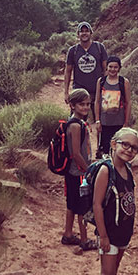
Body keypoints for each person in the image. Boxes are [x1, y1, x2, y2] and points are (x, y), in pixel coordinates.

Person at [93, 127, 138, 275]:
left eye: (134, 148)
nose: (129, 150)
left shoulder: (128, 169)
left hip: (124, 231)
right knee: (107, 274)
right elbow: (96, 204)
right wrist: (103, 235)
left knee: (114, 271)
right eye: (125, 145)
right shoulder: (106, 170)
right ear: (114, 144)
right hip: (109, 233)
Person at [61, 88, 97, 252]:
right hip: (78, 172)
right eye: (81, 104)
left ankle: (68, 234)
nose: (85, 107)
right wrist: (89, 170)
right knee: (82, 206)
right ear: (72, 105)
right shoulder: (75, 125)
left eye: (88, 104)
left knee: (72, 204)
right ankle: (84, 239)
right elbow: (75, 153)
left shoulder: (77, 122)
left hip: (73, 172)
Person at [64, 22, 107, 121]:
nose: (84, 33)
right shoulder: (73, 51)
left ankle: (99, 137)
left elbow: (105, 69)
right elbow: (68, 72)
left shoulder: (99, 48)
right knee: (76, 122)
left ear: (91, 33)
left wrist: (105, 87)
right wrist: (66, 92)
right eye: (81, 31)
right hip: (79, 91)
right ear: (78, 34)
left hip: (97, 90)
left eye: (86, 31)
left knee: (100, 121)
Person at [94, 56, 132, 157]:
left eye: (115, 67)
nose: (112, 69)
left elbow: (128, 102)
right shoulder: (101, 81)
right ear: (106, 67)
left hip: (119, 122)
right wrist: (97, 120)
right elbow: (97, 101)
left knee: (118, 150)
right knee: (105, 151)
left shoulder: (124, 82)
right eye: (110, 67)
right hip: (104, 122)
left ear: (119, 68)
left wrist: (126, 123)